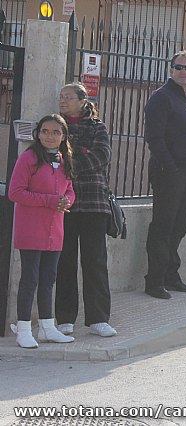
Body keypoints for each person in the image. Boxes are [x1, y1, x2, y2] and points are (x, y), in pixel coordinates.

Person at [9, 115, 76, 348]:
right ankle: (24, 329)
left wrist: (67, 201)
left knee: (48, 280)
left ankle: (48, 327)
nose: (50, 136)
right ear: (38, 133)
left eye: (56, 132)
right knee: (30, 279)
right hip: (31, 228)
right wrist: (50, 201)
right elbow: (15, 192)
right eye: (45, 131)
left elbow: (69, 190)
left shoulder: (64, 160)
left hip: (54, 230)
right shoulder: (28, 158)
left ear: (63, 136)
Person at [55, 83, 117, 337]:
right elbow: (50, 157)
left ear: (83, 100)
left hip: (94, 202)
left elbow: (101, 156)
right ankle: (65, 317)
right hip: (63, 203)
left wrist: (70, 162)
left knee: (95, 262)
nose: (63, 100)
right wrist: (78, 155)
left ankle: (98, 318)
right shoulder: (56, 127)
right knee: (64, 261)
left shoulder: (97, 127)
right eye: (61, 96)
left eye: (68, 97)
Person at [143, 50, 186, 299]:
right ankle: (154, 281)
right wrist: (171, 167)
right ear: (171, 70)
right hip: (169, 172)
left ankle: (171, 274)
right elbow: (154, 138)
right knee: (163, 227)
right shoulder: (161, 98)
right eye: (179, 67)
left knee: (180, 225)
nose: (183, 72)